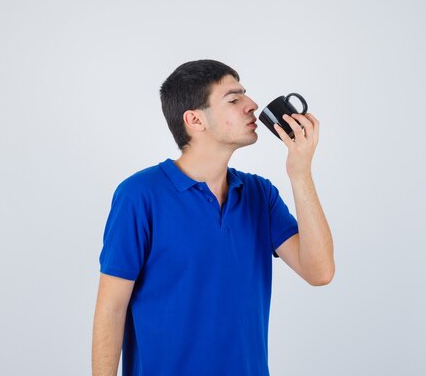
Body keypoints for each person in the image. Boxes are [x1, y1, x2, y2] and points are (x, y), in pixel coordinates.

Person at [92, 59, 334, 376]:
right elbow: (111, 308)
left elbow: (320, 271)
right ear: (195, 120)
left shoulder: (259, 194)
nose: (252, 105)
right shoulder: (139, 195)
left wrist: (300, 173)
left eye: (244, 94)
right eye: (234, 99)